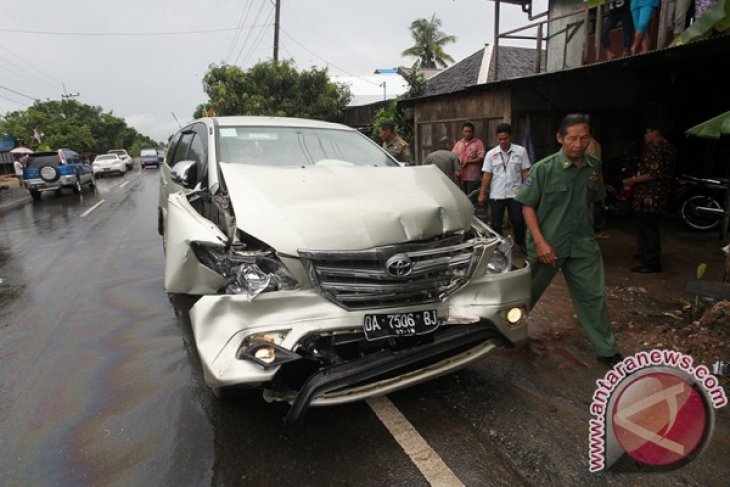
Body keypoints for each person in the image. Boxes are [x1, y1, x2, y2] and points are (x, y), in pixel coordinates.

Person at [515, 113, 623, 367]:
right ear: (560, 138)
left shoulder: (593, 167)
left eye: (584, 138)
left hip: (582, 245)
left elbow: (595, 198)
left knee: (593, 297)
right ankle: (500, 335)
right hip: (547, 246)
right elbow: (527, 207)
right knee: (524, 294)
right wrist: (540, 242)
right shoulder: (543, 169)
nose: (578, 144)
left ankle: (606, 349)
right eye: (572, 138)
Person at [622, 119, 676, 273]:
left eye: (647, 132)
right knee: (649, 226)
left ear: (655, 133)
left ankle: (651, 262)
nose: (645, 135)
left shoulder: (656, 149)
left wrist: (632, 181)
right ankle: (646, 255)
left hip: (649, 196)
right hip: (658, 195)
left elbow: (653, 173)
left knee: (647, 227)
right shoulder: (669, 148)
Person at [478, 123, 531, 253]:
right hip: (497, 194)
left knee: (518, 221)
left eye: (505, 138)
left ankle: (520, 243)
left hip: (516, 194)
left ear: (510, 137)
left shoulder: (521, 151)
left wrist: (528, 191)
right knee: (496, 223)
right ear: (497, 138)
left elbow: (526, 173)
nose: (502, 141)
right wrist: (482, 193)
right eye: (500, 139)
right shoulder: (491, 154)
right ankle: (497, 247)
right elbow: (487, 175)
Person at [452, 122, 486, 196]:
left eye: (469, 131)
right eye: (465, 131)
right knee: (462, 199)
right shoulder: (458, 144)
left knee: (471, 199)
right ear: (462, 132)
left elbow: (481, 157)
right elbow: (453, 156)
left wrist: (469, 161)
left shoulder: (478, 143)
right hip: (460, 178)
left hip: (473, 178)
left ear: (473, 132)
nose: (467, 133)